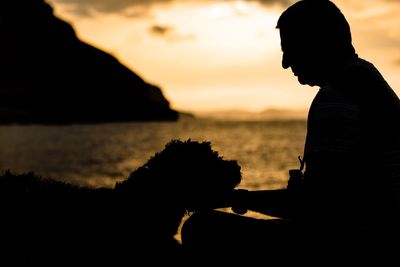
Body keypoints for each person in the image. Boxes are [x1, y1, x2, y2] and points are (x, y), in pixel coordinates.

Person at [181, 0, 400, 265]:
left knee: (200, 227)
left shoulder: (336, 99)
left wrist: (232, 198)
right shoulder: (368, 78)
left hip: (352, 243)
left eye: (290, 49)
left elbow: (315, 208)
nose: (285, 63)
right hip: (380, 232)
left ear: (317, 43)